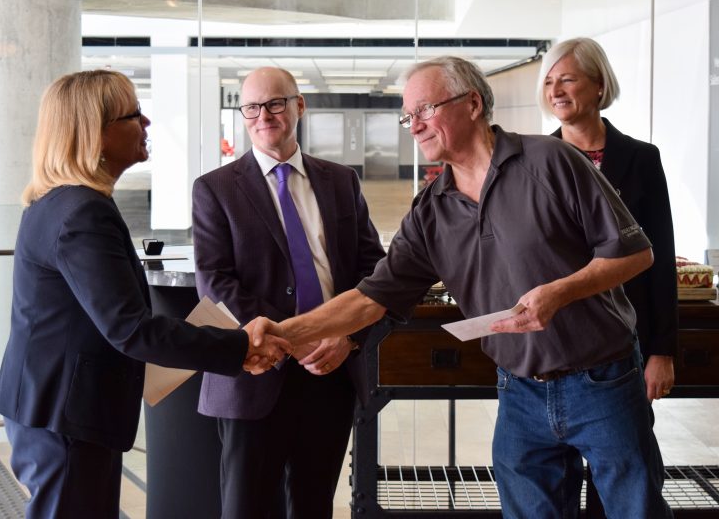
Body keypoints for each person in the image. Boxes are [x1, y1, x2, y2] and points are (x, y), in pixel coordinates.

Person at [254, 56, 674, 518]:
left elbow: (636, 254)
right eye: (407, 117)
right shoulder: (430, 211)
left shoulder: (552, 160)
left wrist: (560, 292)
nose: (413, 127)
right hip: (520, 394)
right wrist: (283, 332)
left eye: (424, 111)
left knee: (637, 511)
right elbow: (370, 297)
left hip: (604, 381)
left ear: (472, 103)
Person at [0, 70, 290, 519]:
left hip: (53, 408)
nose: (147, 122)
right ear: (96, 133)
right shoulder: (81, 213)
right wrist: (240, 347)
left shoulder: (59, 201)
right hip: (66, 416)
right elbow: (130, 328)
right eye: (134, 114)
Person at [191, 66, 385, 519]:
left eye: (275, 103)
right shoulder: (215, 189)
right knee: (246, 508)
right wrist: (293, 338)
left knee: (314, 505)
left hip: (331, 370)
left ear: (299, 105)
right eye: (252, 107)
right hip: (255, 372)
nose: (264, 115)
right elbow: (216, 283)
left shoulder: (341, 181)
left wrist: (347, 335)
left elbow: (372, 269)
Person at [538, 36, 678, 519]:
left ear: (598, 86)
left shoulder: (641, 158)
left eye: (568, 79)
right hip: (554, 347)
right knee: (552, 483)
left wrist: (661, 351)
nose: (556, 90)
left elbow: (659, 258)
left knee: (622, 484)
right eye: (549, 82)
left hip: (624, 348)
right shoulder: (533, 159)